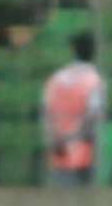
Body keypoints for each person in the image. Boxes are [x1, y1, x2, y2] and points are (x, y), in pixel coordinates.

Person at [42, 31, 106, 185]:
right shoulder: (94, 79)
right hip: (84, 153)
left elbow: (47, 113)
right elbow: (92, 116)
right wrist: (74, 138)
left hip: (59, 150)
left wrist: (56, 140)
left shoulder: (56, 78)